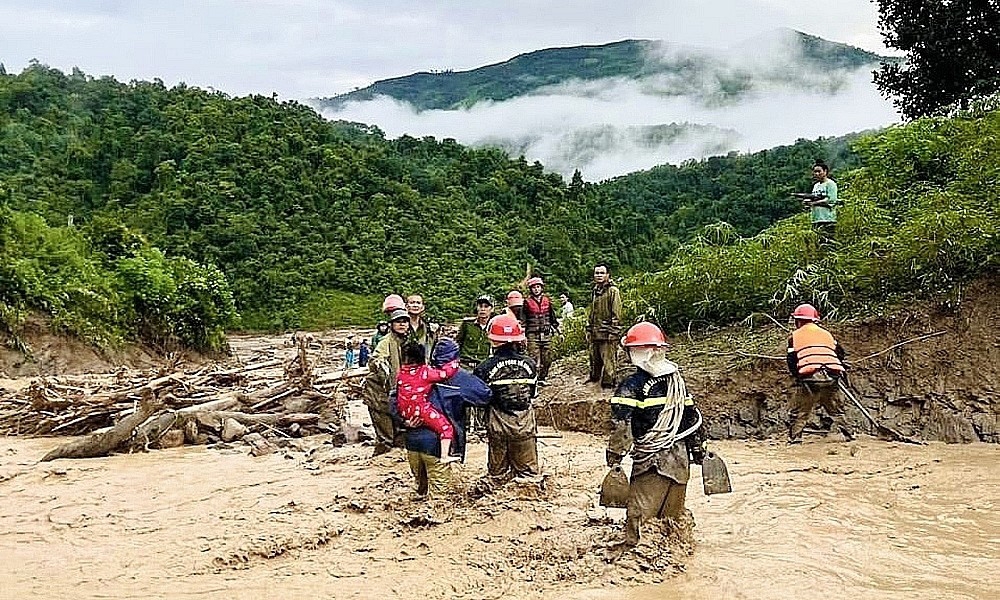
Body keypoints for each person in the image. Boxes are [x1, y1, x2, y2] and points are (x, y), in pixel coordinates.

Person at [606, 322, 706, 548]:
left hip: (651, 463)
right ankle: (676, 558)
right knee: (673, 520)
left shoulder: (631, 386)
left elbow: (622, 427)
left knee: (639, 520)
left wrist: (614, 457)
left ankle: (638, 561)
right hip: (680, 461)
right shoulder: (678, 383)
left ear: (633, 352)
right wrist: (700, 451)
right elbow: (693, 420)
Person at [392, 338, 491, 498]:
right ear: (456, 358)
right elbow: (485, 396)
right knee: (440, 498)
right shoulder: (460, 378)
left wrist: (405, 421)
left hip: (411, 442)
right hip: (437, 445)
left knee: (421, 491)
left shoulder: (412, 374)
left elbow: (393, 399)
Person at [474, 313, 541, 485]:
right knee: (529, 477)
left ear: (494, 340)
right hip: (525, 425)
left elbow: (480, 398)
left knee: (497, 477)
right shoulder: (530, 364)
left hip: (498, 426)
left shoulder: (484, 367)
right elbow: (531, 394)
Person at [786, 303, 854, 444]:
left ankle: (795, 439)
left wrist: (797, 376)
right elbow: (840, 353)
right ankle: (849, 435)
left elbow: (791, 361)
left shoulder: (794, 337)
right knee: (836, 408)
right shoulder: (827, 334)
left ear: (798, 321)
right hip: (831, 376)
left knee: (800, 410)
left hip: (810, 379)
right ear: (815, 320)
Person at [395, 341, 462, 463]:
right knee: (446, 428)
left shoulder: (401, 374)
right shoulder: (425, 372)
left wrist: (404, 421)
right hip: (422, 410)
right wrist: (454, 364)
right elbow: (444, 374)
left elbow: (396, 398)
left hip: (406, 413)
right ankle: (444, 455)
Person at [362, 308, 411, 455]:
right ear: (391, 325)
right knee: (386, 436)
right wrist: (381, 365)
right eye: (398, 322)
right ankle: (378, 464)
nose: (402, 325)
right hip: (379, 393)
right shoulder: (386, 342)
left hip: (399, 393)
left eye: (405, 322)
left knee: (401, 434)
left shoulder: (407, 341)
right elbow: (376, 359)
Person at [456, 294, 494, 433]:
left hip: (483, 365)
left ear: (491, 309)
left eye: (486, 306)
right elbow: (458, 342)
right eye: (480, 306)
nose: (483, 309)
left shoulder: (494, 326)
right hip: (466, 363)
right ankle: (464, 426)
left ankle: (480, 426)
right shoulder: (467, 324)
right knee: (463, 396)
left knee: (482, 395)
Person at [587, 263, 622, 388]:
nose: (599, 275)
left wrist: (613, 331)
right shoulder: (595, 291)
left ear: (608, 275)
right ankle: (594, 378)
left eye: (602, 273)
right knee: (594, 357)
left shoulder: (613, 291)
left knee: (608, 360)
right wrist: (589, 328)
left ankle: (609, 384)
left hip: (607, 332)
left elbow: (616, 313)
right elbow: (592, 312)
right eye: (597, 273)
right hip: (595, 331)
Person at [522, 276, 559, 384]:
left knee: (548, 358)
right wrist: (523, 335)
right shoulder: (526, 302)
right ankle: (534, 379)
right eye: (534, 287)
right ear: (531, 289)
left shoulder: (547, 301)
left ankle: (542, 378)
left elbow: (552, 318)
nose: (536, 289)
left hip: (546, 334)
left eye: (538, 287)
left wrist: (558, 331)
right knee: (533, 358)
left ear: (541, 288)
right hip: (532, 334)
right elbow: (523, 320)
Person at [793, 160, 838, 248]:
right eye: (815, 172)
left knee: (828, 243)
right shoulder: (816, 186)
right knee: (818, 244)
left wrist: (813, 203)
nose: (816, 174)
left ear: (825, 171)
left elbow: (831, 200)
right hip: (815, 219)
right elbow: (814, 197)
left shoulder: (831, 184)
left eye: (819, 171)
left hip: (827, 219)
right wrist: (807, 202)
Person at [405, 294, 441, 361]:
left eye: (418, 303)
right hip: (404, 367)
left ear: (422, 307)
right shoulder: (400, 327)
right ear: (406, 306)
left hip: (423, 367)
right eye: (412, 303)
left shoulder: (429, 328)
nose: (415, 305)